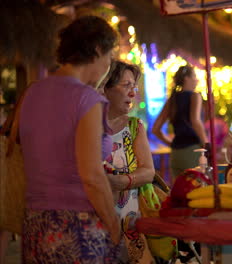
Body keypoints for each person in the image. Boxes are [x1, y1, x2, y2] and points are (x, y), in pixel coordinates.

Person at [19, 16, 120, 263]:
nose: (109, 65)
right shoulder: (86, 99)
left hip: (35, 224)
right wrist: (114, 224)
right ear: (97, 50)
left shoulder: (32, 93)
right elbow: (92, 176)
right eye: (109, 57)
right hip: (78, 225)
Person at [102, 60, 156, 263]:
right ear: (105, 87)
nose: (133, 93)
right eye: (126, 86)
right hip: (96, 225)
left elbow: (148, 172)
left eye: (133, 87)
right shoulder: (88, 128)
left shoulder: (134, 127)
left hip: (130, 223)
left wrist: (122, 182)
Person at [152, 65, 208, 182]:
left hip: (176, 154)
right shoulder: (194, 96)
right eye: (194, 76)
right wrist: (207, 144)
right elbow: (195, 121)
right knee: (198, 192)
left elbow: (155, 129)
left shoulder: (172, 100)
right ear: (186, 78)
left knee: (180, 193)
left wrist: (171, 144)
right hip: (193, 151)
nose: (196, 80)